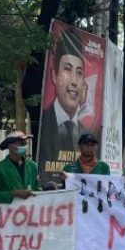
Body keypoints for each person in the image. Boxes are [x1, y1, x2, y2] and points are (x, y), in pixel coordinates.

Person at [64, 134, 122, 250]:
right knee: (79, 249)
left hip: (97, 215)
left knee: (99, 249)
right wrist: (64, 180)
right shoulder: (70, 168)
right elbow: (67, 189)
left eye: (92, 144)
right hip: (78, 215)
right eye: (86, 144)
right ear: (80, 146)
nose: (90, 147)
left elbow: (106, 188)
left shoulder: (103, 167)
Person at [38, 29, 90, 163]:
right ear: (54, 75)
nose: (74, 82)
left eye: (79, 73)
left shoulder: (87, 133)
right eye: (67, 69)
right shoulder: (42, 124)